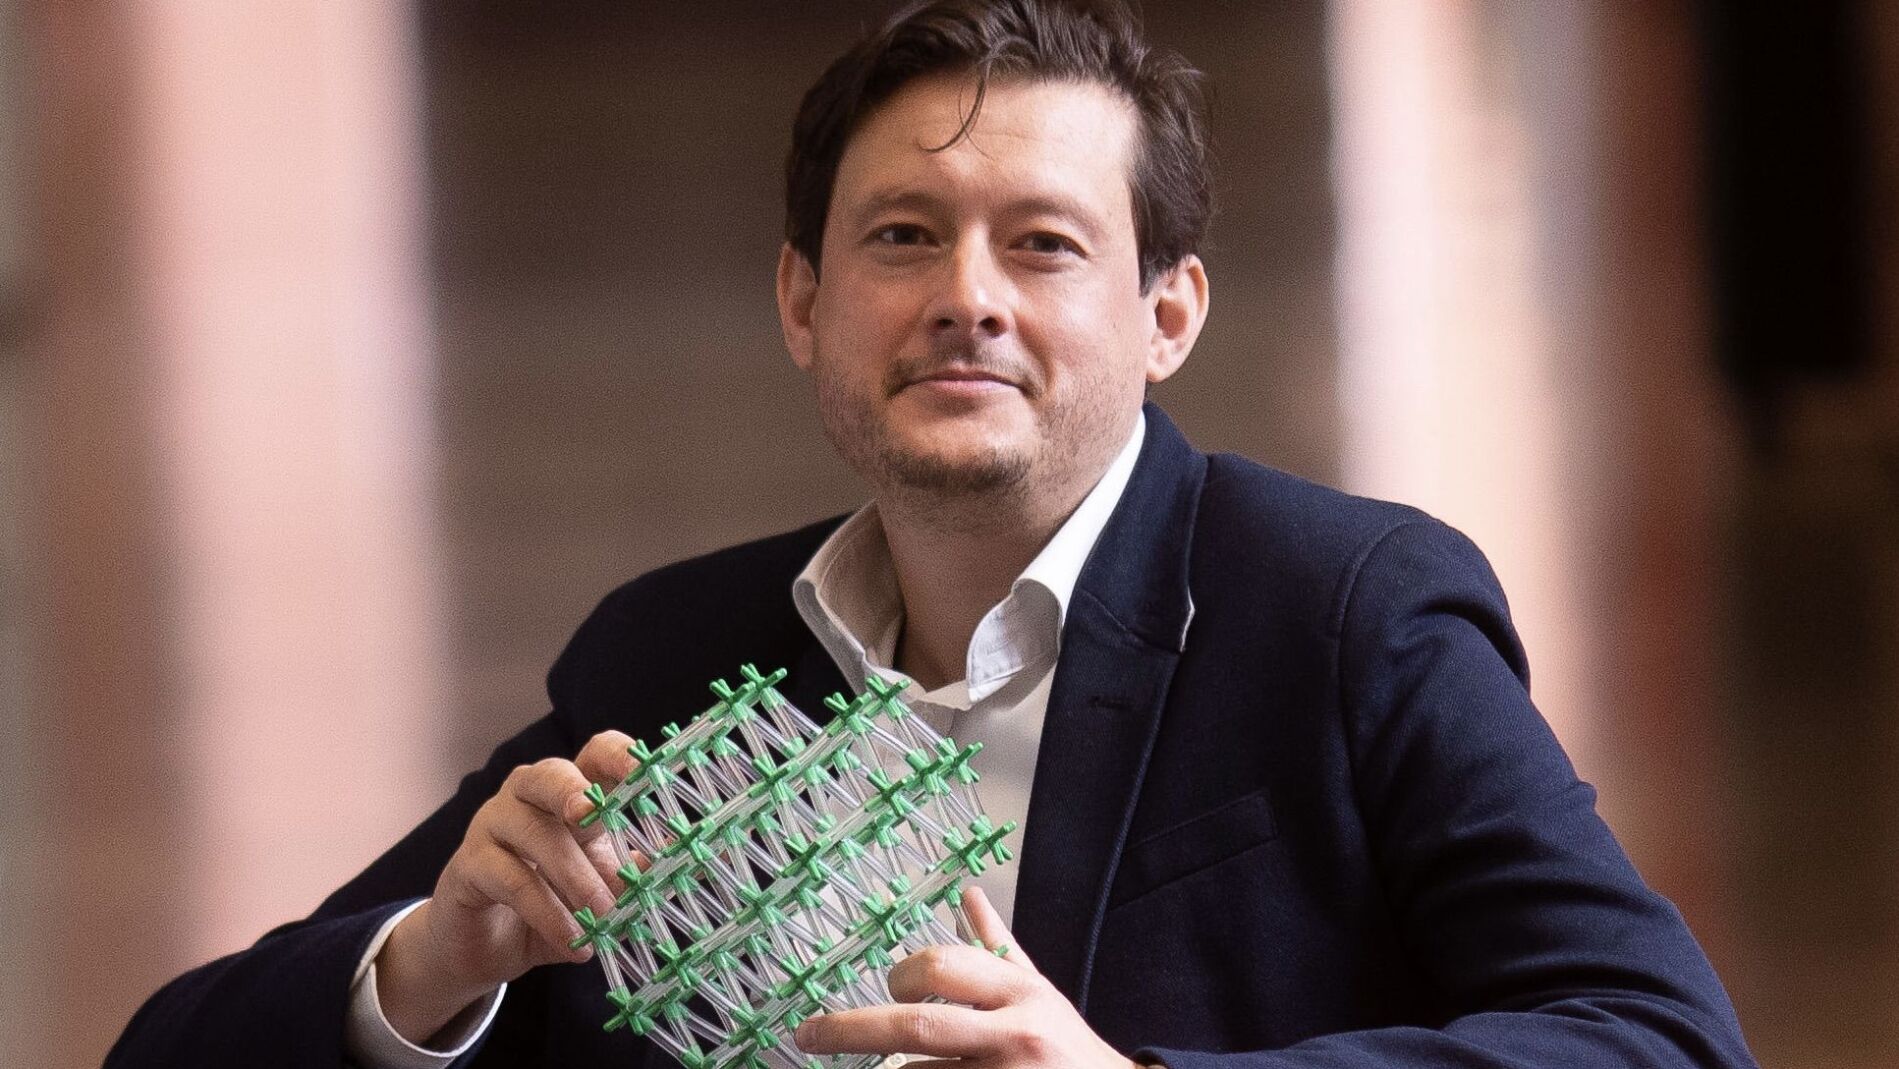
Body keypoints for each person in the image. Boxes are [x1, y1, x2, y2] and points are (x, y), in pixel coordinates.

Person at [107, 1, 1759, 1067]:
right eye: (903, 236)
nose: (967, 297)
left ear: (1168, 313)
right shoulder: (672, 660)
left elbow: (1659, 1039)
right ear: (803, 300)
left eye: (1043, 244)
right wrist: (432, 963)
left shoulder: (1345, 611)